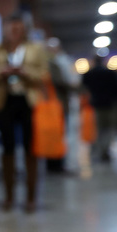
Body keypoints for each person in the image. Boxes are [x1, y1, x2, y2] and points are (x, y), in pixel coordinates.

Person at [0, 13, 49, 211]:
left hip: (28, 102)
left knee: (31, 148)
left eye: (18, 28)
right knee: (7, 148)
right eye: (11, 28)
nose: (14, 32)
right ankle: (9, 196)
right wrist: (1, 71)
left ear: (24, 29)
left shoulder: (35, 49)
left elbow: (44, 75)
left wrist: (25, 71)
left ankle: (31, 197)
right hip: (4, 101)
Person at [45, 37, 79, 173]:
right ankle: (55, 164)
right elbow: (60, 82)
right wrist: (74, 87)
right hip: (55, 104)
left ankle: (57, 163)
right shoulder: (50, 63)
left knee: (59, 134)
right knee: (56, 134)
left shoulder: (61, 61)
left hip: (58, 103)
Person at [81, 55, 117, 162]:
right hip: (110, 104)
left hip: (95, 105)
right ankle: (105, 150)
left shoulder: (89, 74)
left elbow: (83, 89)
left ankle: (99, 149)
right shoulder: (110, 73)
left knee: (98, 128)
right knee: (110, 128)